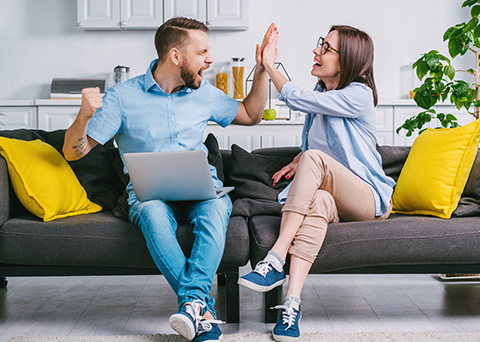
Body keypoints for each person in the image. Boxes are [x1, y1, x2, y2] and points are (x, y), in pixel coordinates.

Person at [63, 17, 272, 342]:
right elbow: (73, 152)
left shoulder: (204, 93)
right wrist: (83, 116)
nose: (209, 58)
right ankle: (199, 307)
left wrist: (260, 71)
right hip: (150, 195)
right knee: (151, 213)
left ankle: (191, 306)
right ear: (176, 56)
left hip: (204, 191)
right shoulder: (123, 97)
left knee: (216, 210)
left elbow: (251, 114)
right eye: (202, 51)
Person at [238, 25, 396, 341]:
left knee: (314, 161)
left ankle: (275, 257)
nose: (317, 51)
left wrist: (269, 64)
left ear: (349, 59)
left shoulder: (359, 95)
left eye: (326, 47)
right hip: (334, 197)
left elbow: (298, 103)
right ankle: (291, 304)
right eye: (320, 44)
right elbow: (315, 144)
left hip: (367, 199)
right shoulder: (321, 96)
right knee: (318, 203)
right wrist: (300, 160)